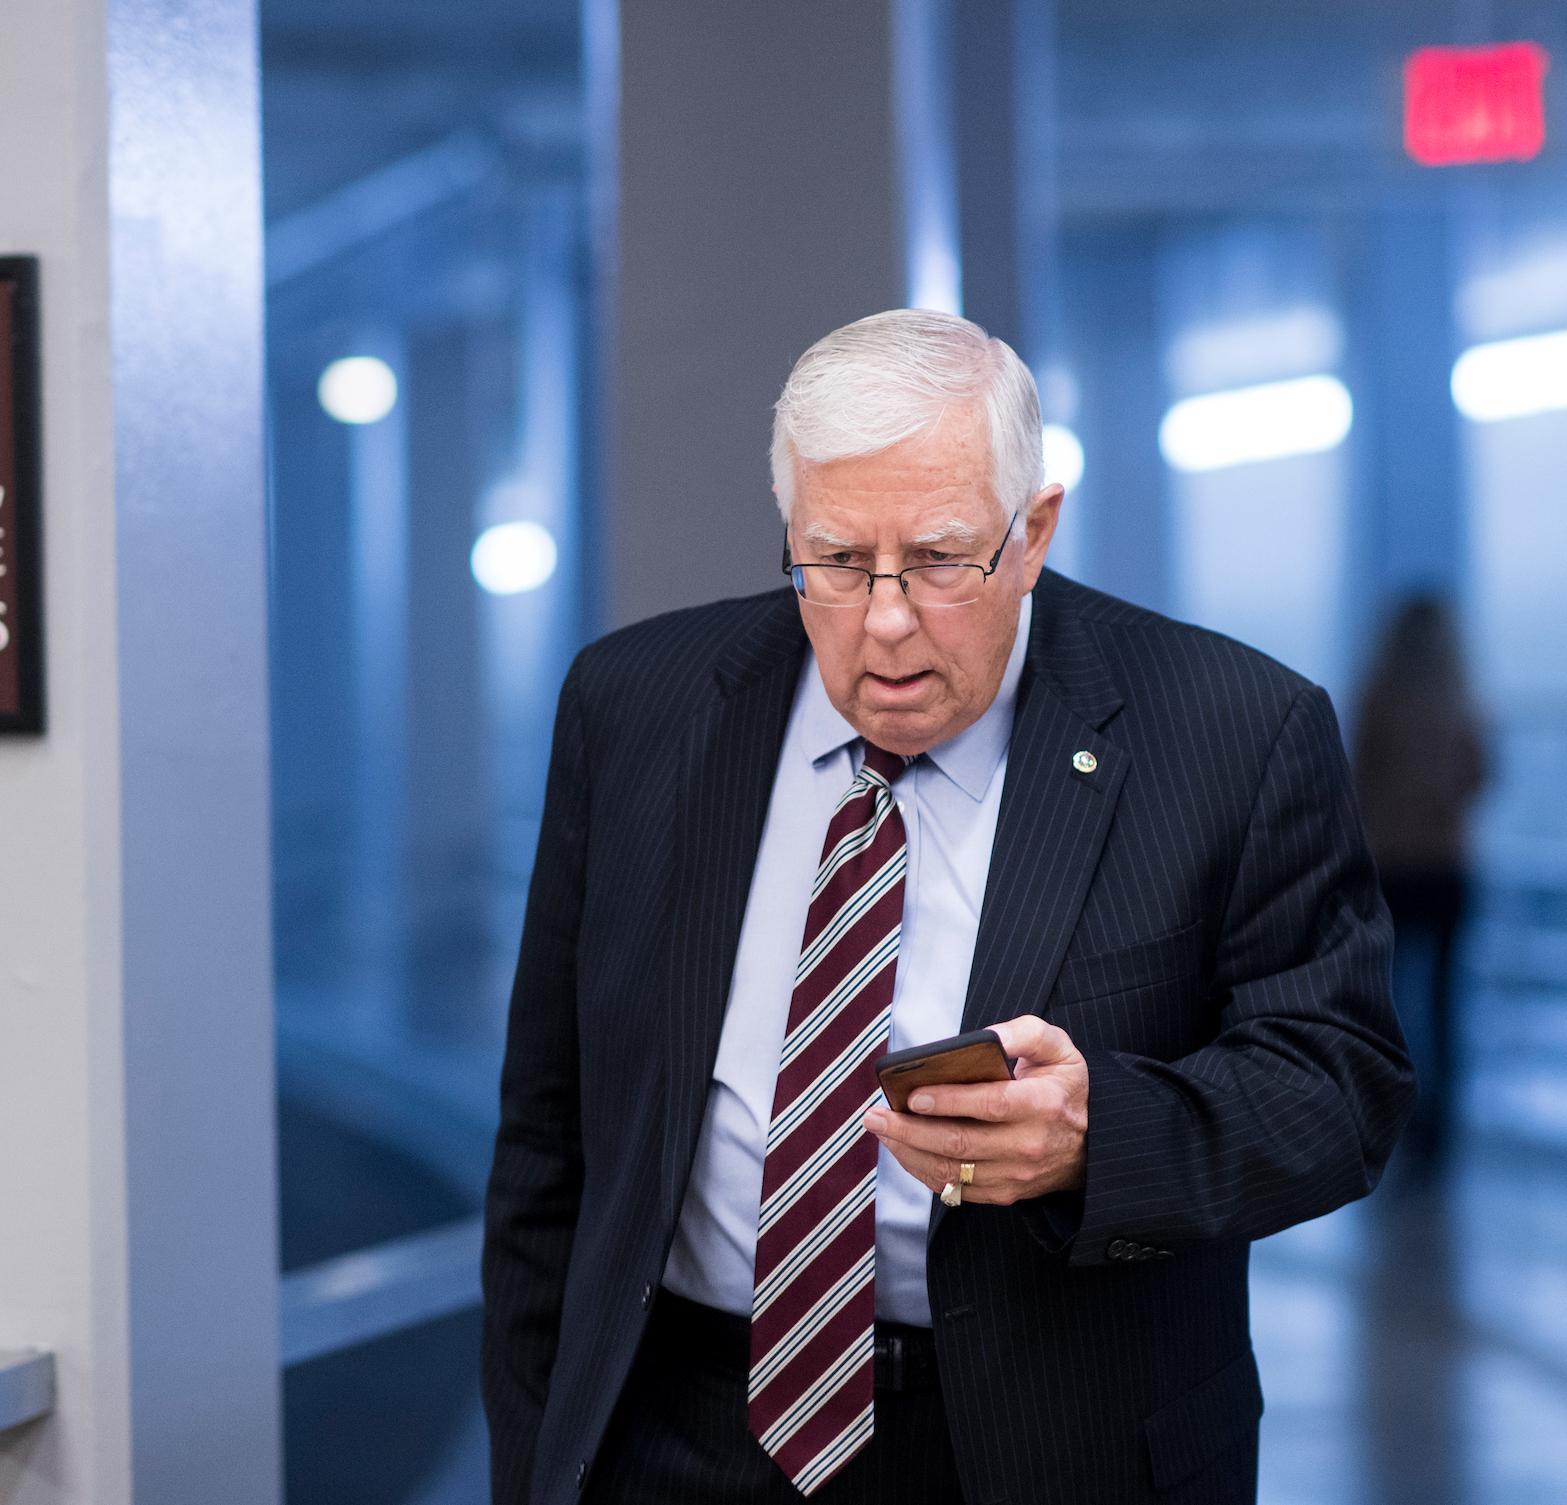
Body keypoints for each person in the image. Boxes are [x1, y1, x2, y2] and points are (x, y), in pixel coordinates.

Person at [483, 310, 1412, 1505]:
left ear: (1033, 532)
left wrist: (1099, 1136)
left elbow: (1342, 1085)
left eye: (937, 561)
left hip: (1037, 1440)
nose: (883, 620)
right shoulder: (635, 709)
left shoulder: (1233, 731)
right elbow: (547, 1142)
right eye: (834, 559)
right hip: (674, 1430)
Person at [1352, 597, 1489, 1170]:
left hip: (1390, 870)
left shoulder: (1378, 702)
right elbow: (1481, 779)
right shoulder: (1460, 704)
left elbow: (1355, 779)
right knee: (1443, 1003)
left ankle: (1390, 1120)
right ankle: (1439, 1139)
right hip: (1448, 869)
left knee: (1386, 1004)